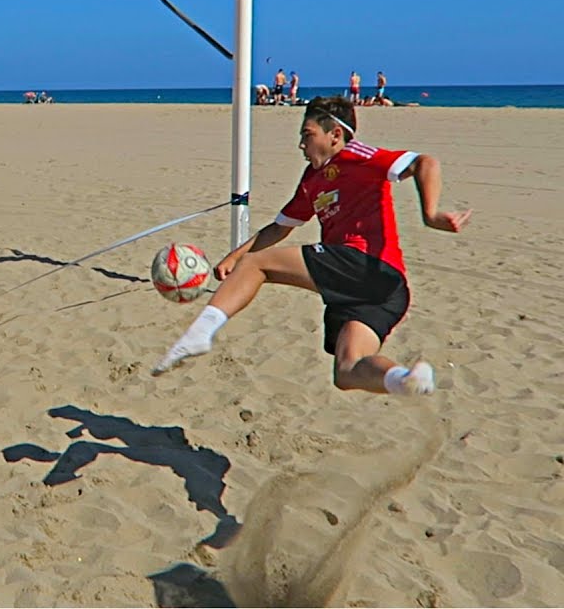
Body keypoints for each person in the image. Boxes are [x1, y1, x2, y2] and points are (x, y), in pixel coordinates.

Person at [151, 95, 472, 396]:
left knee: (257, 264)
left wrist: (430, 214)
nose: (301, 144)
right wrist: (233, 257)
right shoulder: (311, 181)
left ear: (335, 134)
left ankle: (199, 333)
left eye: (308, 134)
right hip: (379, 293)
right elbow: (280, 227)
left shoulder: (354, 156)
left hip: (369, 266)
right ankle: (404, 379)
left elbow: (424, 162)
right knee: (346, 371)